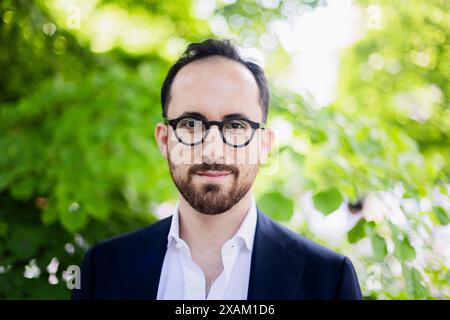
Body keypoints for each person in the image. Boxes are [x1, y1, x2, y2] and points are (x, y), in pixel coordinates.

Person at [71, 38, 362, 300]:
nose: (212, 149)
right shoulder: (103, 269)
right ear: (164, 139)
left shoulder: (329, 281)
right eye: (190, 124)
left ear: (264, 144)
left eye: (235, 126)